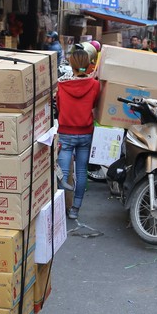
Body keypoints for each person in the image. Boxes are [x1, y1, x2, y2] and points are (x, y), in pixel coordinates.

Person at [56, 47, 101, 221]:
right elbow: (95, 104)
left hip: (66, 132)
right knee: (82, 172)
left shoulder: (62, 85)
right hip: (85, 133)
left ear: (71, 65)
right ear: (87, 65)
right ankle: (75, 209)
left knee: (63, 173)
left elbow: (59, 107)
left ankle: (59, 210)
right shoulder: (95, 85)